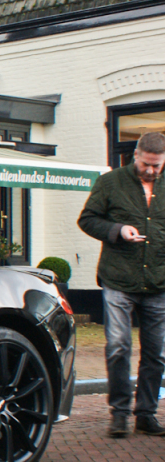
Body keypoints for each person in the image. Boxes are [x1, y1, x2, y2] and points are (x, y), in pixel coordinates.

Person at [78, 130, 165, 437]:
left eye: (157, 165)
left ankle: (146, 413)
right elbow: (87, 219)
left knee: (156, 353)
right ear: (136, 156)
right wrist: (117, 229)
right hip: (118, 278)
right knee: (118, 346)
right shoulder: (110, 183)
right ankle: (119, 412)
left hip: (159, 281)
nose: (152, 171)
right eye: (146, 164)